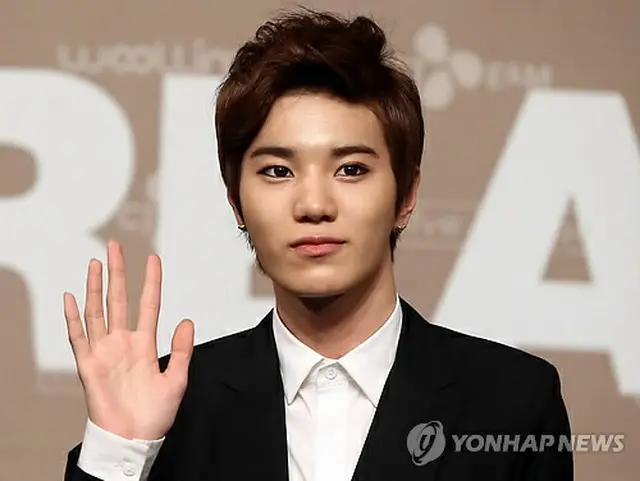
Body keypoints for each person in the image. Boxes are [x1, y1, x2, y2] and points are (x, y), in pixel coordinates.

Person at [63, 7, 573, 481]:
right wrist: (118, 450)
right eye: (277, 171)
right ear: (236, 200)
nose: (313, 204)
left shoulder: (513, 401)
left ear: (406, 195)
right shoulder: (169, 406)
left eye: (350, 169)